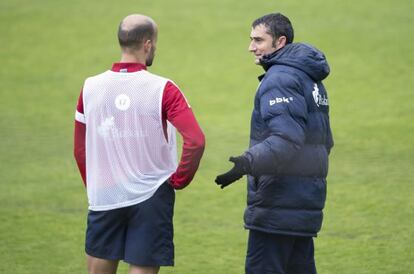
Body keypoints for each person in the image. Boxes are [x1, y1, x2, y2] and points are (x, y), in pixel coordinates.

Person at [74, 14, 205, 274]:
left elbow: (80, 150)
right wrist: (179, 179)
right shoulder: (164, 89)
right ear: (147, 44)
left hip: (106, 193)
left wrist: (98, 186)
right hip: (152, 195)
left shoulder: (90, 88)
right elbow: (196, 140)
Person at [215, 13, 333, 274]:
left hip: (278, 206)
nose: (251, 47)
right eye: (251, 40)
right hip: (303, 204)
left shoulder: (279, 79)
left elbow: (286, 139)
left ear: (280, 42)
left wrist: (246, 163)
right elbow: (325, 143)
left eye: (259, 40)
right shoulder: (310, 79)